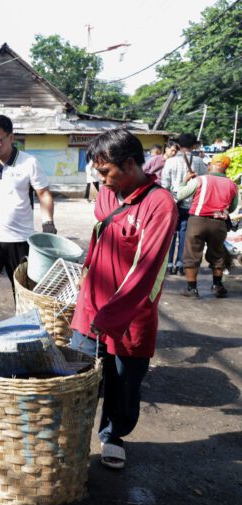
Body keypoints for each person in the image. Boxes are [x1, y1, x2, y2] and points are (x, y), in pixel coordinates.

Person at [70, 128, 177, 470]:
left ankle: (113, 435)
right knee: (77, 374)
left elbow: (145, 270)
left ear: (130, 163)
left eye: (105, 172)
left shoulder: (159, 204)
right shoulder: (106, 192)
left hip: (130, 313)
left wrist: (111, 315)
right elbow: (101, 232)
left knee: (123, 380)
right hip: (92, 303)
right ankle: (71, 434)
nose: (101, 180)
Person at [0, 114, 55, 341]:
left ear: (11, 137)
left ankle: (28, 336)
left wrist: (48, 222)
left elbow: (43, 193)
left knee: (24, 292)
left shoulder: (29, 163)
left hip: (20, 240)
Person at [177, 154, 238, 298]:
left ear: (210, 165)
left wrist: (184, 182)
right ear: (226, 169)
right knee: (218, 255)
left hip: (197, 221)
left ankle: (192, 289)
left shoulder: (200, 180)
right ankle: (217, 285)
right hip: (219, 224)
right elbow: (233, 207)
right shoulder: (232, 185)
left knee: (192, 254)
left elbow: (180, 195)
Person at [162, 133, 207, 275]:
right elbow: (203, 182)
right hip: (190, 203)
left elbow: (165, 184)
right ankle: (181, 263)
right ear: (194, 146)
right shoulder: (199, 162)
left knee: (171, 234)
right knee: (184, 234)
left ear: (178, 146)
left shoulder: (170, 162)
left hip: (172, 202)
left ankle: (168, 264)